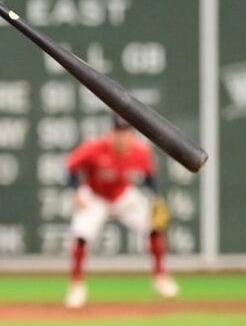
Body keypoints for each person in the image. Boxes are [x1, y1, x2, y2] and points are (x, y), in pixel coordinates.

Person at [63, 115, 180, 309]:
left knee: (155, 225)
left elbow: (150, 178)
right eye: (118, 133)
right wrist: (76, 192)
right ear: (111, 134)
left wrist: (156, 198)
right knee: (81, 235)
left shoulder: (141, 151)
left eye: (126, 133)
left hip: (122, 195)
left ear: (132, 136)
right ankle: (76, 286)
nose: (122, 138)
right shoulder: (95, 148)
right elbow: (71, 166)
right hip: (94, 195)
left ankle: (161, 277)